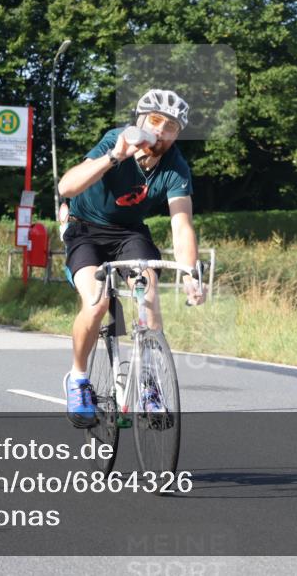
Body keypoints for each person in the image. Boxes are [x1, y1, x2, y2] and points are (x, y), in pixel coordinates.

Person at [57, 89, 205, 427]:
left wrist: (189, 274)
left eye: (171, 127)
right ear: (140, 121)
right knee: (96, 303)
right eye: (155, 121)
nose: (160, 131)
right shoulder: (116, 140)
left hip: (129, 234)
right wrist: (114, 157)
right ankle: (77, 379)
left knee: (147, 294)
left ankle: (149, 388)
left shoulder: (176, 166)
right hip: (85, 230)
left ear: (177, 134)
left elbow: (181, 223)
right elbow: (67, 187)